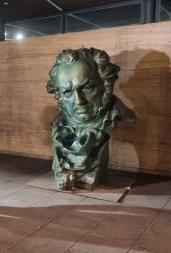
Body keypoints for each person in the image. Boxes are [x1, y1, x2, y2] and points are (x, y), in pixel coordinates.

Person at [46, 47, 136, 190]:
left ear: (105, 84)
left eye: (87, 87)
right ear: (59, 94)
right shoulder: (59, 124)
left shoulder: (116, 113)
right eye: (68, 92)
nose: (79, 101)